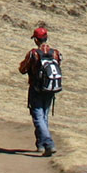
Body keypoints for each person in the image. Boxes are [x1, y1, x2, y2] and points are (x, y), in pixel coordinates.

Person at [18, 25, 62, 157]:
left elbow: (22, 69)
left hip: (36, 89)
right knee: (44, 116)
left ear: (36, 40)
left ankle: (48, 143)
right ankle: (41, 145)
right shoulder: (55, 53)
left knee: (38, 117)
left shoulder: (34, 53)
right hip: (51, 88)